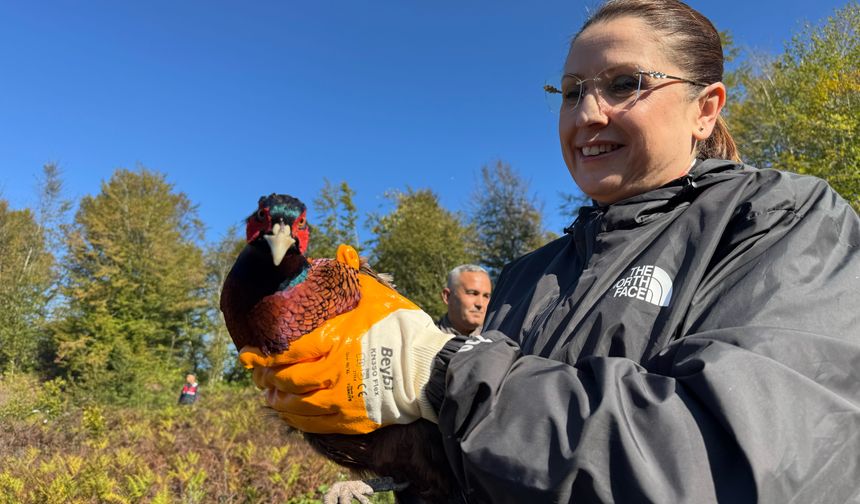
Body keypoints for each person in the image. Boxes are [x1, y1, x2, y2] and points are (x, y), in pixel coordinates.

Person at [241, 0, 860, 501]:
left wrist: (443, 371)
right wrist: (389, 456)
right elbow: (485, 462)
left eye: (624, 84)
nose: (588, 113)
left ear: (705, 109)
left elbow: (733, 464)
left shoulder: (782, 220)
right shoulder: (527, 275)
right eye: (570, 92)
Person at [437, 264, 492, 336]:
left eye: (486, 296)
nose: (480, 304)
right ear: (447, 296)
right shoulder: (424, 341)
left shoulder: (501, 343)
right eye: (472, 293)